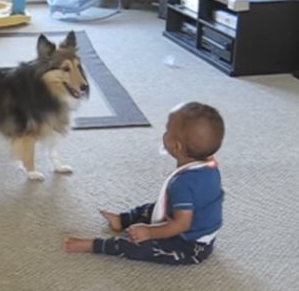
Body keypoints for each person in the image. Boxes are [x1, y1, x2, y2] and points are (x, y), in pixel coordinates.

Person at [64, 101, 224, 265]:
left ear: (176, 147)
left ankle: (94, 245)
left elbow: (181, 225)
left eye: (167, 130)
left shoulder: (182, 184)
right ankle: (122, 220)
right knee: (151, 209)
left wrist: (149, 232)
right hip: (194, 224)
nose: (164, 133)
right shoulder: (210, 166)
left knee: (140, 246)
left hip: (191, 245)